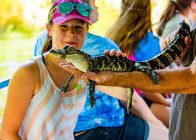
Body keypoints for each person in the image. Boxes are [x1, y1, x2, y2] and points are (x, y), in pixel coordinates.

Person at [34, 0, 169, 139]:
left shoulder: (43, 39)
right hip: (106, 126)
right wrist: (158, 124)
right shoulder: (104, 45)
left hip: (65, 129)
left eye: (78, 28)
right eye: (94, 3)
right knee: (169, 135)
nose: (97, 7)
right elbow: (130, 99)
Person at [60, 33, 196, 140]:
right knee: (169, 133)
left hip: (108, 118)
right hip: (109, 124)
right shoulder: (102, 46)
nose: (71, 33)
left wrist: (114, 78)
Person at [0, 0, 92, 139]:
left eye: (78, 27)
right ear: (49, 29)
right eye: (64, 26)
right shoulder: (29, 72)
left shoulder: (85, 69)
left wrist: (120, 66)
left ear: (86, 31)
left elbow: (122, 91)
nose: (71, 33)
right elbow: (7, 133)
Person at [105, 0, 170, 128]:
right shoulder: (151, 42)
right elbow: (147, 89)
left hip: (116, 101)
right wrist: (167, 103)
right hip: (139, 101)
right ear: (147, 11)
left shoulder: (111, 35)